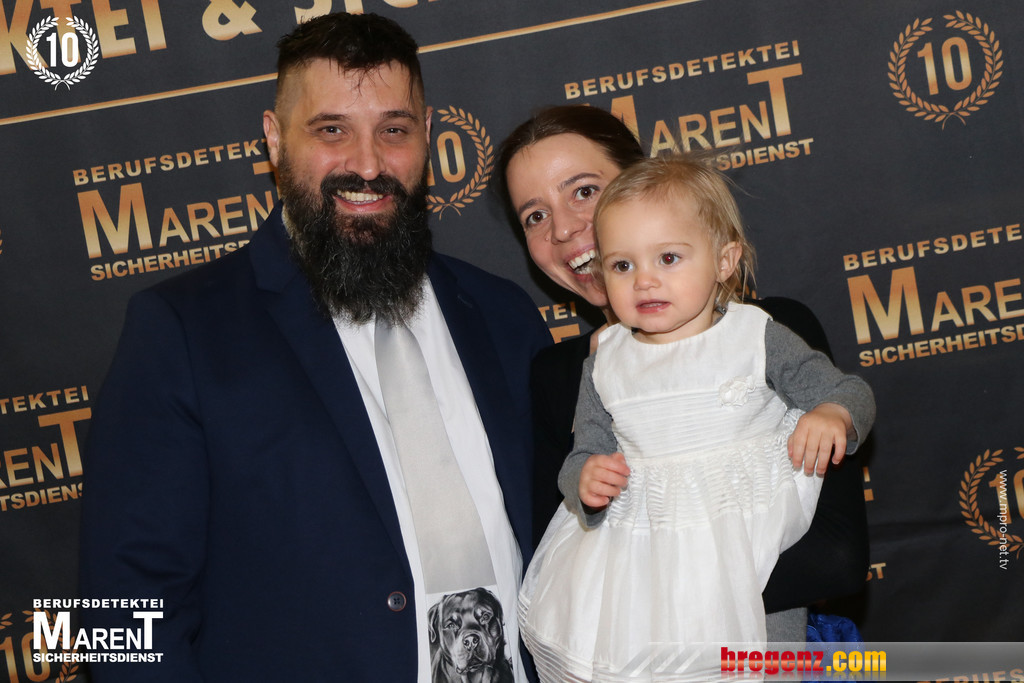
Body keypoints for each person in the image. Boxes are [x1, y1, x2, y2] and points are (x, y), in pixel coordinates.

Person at [79, 13, 549, 682]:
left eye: (394, 130)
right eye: (332, 130)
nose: (368, 163)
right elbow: (114, 611)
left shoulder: (503, 314)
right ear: (274, 139)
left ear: (426, 134)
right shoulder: (179, 330)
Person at [496, 105, 870, 641]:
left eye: (583, 191)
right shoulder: (561, 376)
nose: (564, 228)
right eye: (534, 215)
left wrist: (665, 597)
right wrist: (586, 485)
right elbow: (568, 560)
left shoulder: (764, 333)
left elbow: (832, 559)